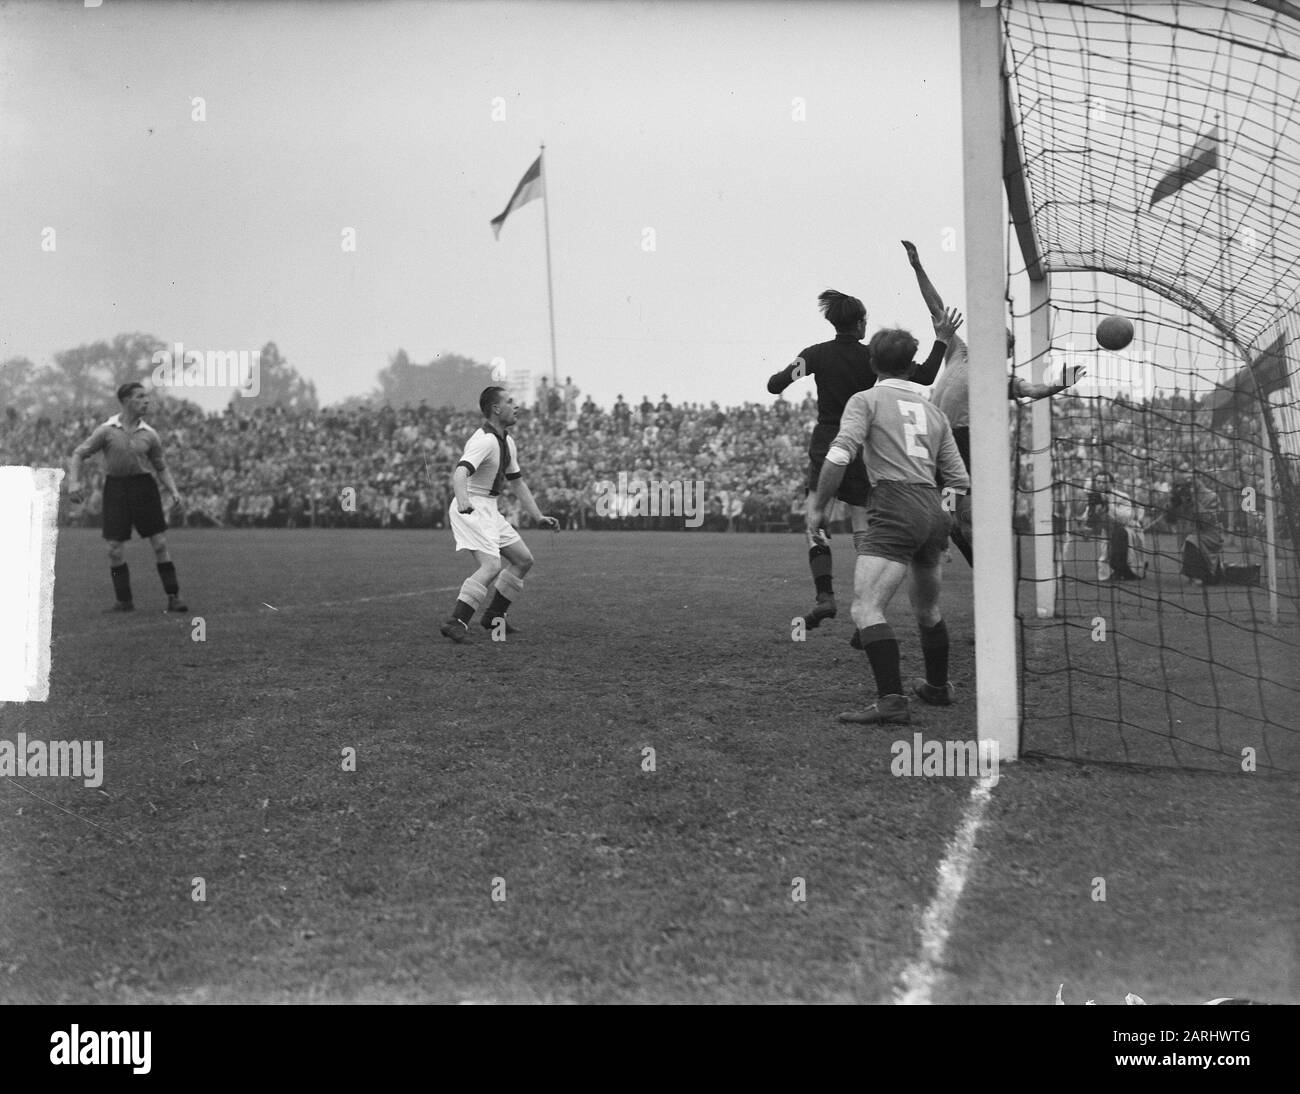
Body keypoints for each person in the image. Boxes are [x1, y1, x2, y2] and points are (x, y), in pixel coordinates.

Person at [768, 287, 959, 628]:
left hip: (827, 440)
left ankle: (824, 595)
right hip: (862, 441)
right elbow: (927, 375)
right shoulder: (873, 357)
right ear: (859, 324)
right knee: (862, 523)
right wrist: (941, 340)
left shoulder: (815, 355)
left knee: (815, 517)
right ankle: (867, 604)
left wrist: (787, 376)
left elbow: (776, 383)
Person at [809, 327, 971, 725]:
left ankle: (892, 701)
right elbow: (958, 479)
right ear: (912, 365)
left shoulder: (865, 399)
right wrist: (945, 517)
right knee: (927, 607)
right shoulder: (933, 411)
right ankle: (936, 687)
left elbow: (840, 453)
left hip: (895, 503)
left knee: (866, 607)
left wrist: (819, 506)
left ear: (873, 363)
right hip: (933, 506)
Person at [902, 240, 1086, 565]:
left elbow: (1032, 390)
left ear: (1007, 349)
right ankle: (964, 546)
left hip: (961, 440)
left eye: (1000, 336)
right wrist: (918, 267)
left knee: (961, 512)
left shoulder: (999, 377)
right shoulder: (958, 351)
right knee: (943, 512)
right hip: (933, 434)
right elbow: (937, 309)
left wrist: (1060, 383)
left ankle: (983, 564)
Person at [439, 387, 559, 642]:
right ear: (496, 408)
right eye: (510, 402)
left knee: (523, 560)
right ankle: (456, 621)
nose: (516, 406)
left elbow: (518, 483)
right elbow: (460, 472)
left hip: (489, 508)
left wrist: (538, 516)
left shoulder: (507, 440)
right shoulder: (484, 440)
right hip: (472, 506)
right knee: (491, 565)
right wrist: (463, 501)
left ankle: (494, 617)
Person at [67, 382, 188, 613]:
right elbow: (78, 454)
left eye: (147, 396)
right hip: (116, 489)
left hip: (144, 488)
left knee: (160, 544)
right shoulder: (106, 430)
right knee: (114, 548)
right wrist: (74, 482)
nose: (146, 400)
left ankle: (174, 597)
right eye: (140, 397)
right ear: (125, 401)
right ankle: (124, 601)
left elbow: (160, 466)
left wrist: (173, 491)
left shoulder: (150, 435)